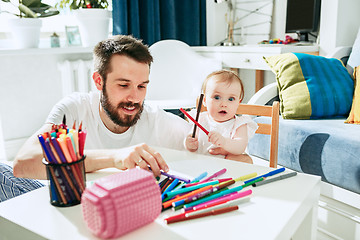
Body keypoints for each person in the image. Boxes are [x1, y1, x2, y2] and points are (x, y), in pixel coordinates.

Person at [12, 35, 191, 183]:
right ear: (99, 81)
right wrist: (114, 158)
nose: (135, 98)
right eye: (123, 85)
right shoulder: (74, 109)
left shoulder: (157, 119)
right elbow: (23, 163)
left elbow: (207, 141)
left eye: (141, 86)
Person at [184, 70, 258, 163]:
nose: (224, 104)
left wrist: (224, 142)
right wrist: (189, 144)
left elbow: (240, 146)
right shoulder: (200, 119)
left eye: (231, 99)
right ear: (205, 100)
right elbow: (191, 146)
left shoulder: (239, 124)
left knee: (242, 161)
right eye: (217, 97)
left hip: (226, 170)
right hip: (201, 166)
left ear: (238, 103)